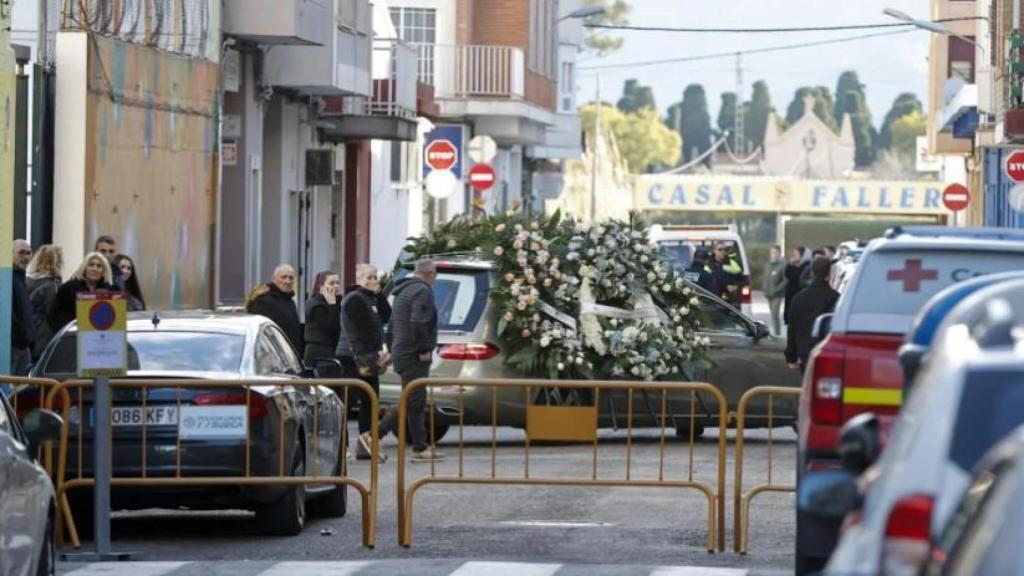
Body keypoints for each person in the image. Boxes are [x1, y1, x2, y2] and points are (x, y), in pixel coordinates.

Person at [337, 264, 395, 461]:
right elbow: (361, 330)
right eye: (369, 277)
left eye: (375, 277)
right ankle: (341, 448)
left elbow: (387, 316)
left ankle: (365, 445)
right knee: (349, 404)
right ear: (359, 279)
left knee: (370, 402)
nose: (373, 280)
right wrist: (377, 355)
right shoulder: (355, 299)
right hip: (352, 358)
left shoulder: (371, 298)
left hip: (368, 356)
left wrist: (379, 295)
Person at [389, 259, 443, 462]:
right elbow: (419, 322)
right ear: (430, 274)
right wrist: (423, 349)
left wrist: (391, 348)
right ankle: (374, 435)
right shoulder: (422, 291)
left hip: (401, 352)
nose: (435, 278)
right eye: (435, 274)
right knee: (414, 401)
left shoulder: (402, 291)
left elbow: (392, 324)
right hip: (413, 354)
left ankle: (421, 445)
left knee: (412, 400)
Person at [785, 256, 840, 373]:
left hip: (805, 353)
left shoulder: (798, 298)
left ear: (812, 273)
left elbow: (792, 328)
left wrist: (791, 356)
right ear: (829, 273)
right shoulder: (835, 298)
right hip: (827, 353)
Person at [49, 252, 114, 333]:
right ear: (84, 268)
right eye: (91, 265)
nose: (94, 269)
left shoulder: (111, 291)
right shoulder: (68, 289)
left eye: (99, 266)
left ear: (104, 271)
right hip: (73, 334)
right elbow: (55, 315)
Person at [246, 264, 303, 354]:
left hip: (289, 355)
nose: (287, 281)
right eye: (283, 277)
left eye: (291, 278)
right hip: (273, 355)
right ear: (274, 278)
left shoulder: (289, 300)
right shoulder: (263, 300)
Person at [27, 244, 63, 360]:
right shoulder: (51, 285)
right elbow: (51, 313)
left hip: (27, 336)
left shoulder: (26, 281)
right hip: (43, 338)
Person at [304, 270, 341, 367]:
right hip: (319, 352)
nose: (336, 286)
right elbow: (331, 326)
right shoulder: (317, 304)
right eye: (332, 283)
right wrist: (332, 305)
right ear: (321, 286)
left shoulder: (337, 302)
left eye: (337, 283)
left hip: (330, 350)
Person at [10, 240, 35, 375]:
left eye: (28, 253)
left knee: (21, 386)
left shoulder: (21, 278)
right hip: (13, 344)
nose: (26, 257)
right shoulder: (8, 279)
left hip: (23, 345)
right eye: (21, 253)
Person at [762, 245, 788, 336]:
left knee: (775, 314)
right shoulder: (768, 264)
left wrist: (776, 290)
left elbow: (785, 280)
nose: (773, 255)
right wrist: (764, 289)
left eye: (775, 253)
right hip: (768, 293)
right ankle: (775, 333)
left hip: (777, 294)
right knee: (772, 315)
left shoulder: (783, 265)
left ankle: (777, 334)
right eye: (772, 253)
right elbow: (765, 278)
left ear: (780, 254)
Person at [784, 246, 810, 324]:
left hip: (798, 293)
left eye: (796, 254)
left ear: (802, 256)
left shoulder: (806, 266)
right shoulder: (794, 265)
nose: (794, 256)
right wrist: (789, 265)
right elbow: (787, 275)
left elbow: (795, 276)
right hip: (790, 293)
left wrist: (792, 266)